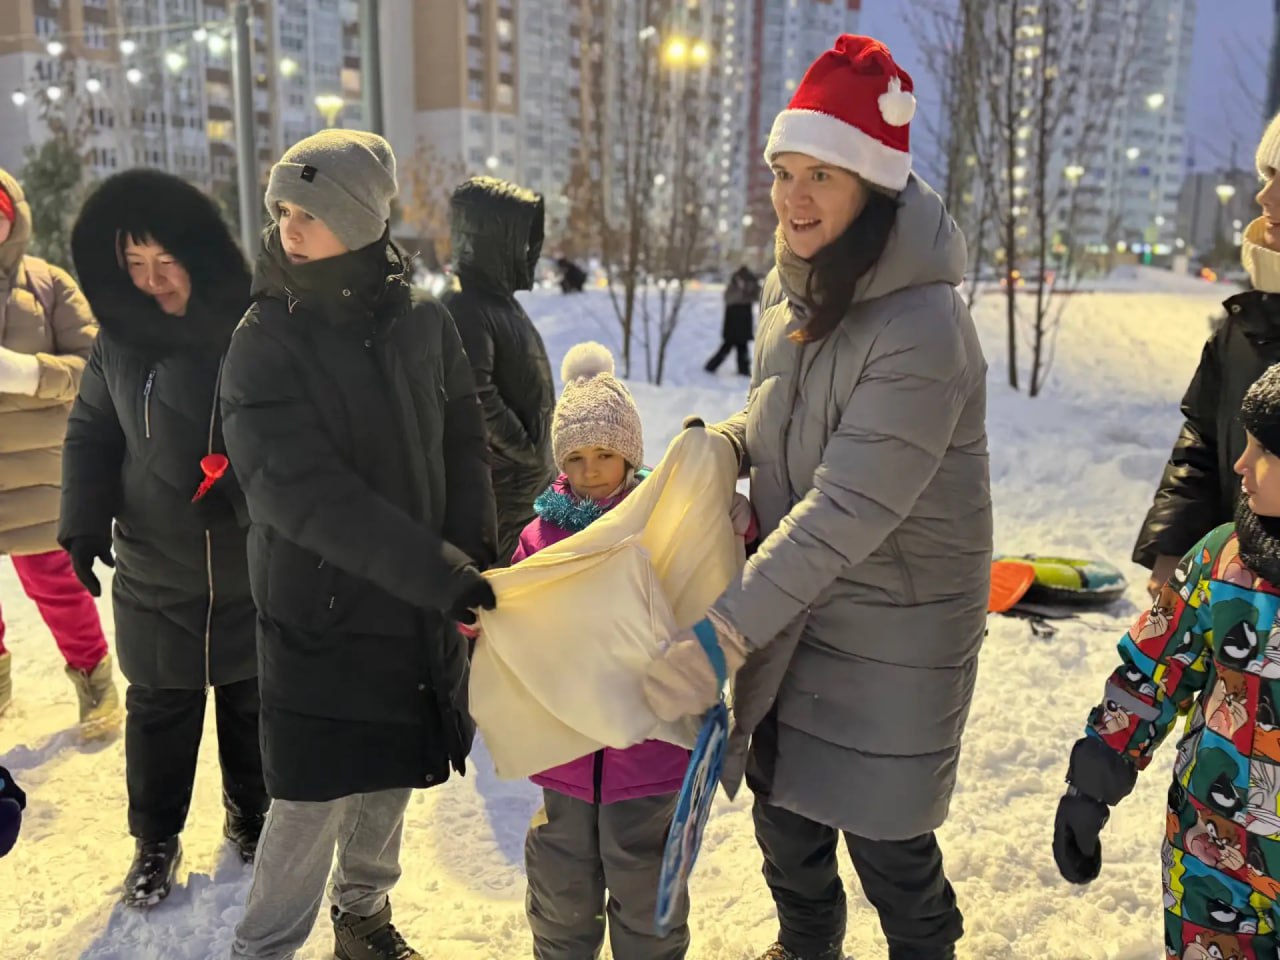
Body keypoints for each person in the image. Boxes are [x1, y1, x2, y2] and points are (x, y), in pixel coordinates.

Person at [642, 36, 990, 960]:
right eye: (784, 171)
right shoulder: (800, 302)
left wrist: (719, 634)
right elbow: (775, 427)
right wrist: (713, 451)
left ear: (871, 187)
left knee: (888, 846)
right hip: (797, 614)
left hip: (892, 629)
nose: (793, 198)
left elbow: (845, 507)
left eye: (822, 177)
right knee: (785, 825)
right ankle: (805, 949)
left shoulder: (924, 327)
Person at [220, 130, 497, 960]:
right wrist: (439, 572)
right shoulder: (265, 338)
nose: (288, 226)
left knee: (393, 779)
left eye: (310, 210)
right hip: (324, 613)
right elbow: (301, 494)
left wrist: (474, 560)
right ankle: (264, 948)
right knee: (309, 804)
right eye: (282, 210)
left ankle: (365, 919)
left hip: (422, 607)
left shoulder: (424, 321)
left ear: (362, 218)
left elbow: (464, 443)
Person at [61, 169, 266, 906]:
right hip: (155, 564)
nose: (153, 283)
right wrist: (82, 518)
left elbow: (291, 431)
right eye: (134, 267)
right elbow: (90, 430)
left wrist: (247, 493)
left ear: (198, 253)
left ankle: (253, 813)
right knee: (160, 715)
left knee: (250, 706)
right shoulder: (117, 343)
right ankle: (155, 840)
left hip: (247, 567)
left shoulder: (254, 327)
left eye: (166, 262)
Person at [512, 340, 752, 960]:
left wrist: (731, 523)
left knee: (647, 894)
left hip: (649, 753)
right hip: (565, 756)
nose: (592, 472)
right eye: (578, 458)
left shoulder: (662, 526)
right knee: (562, 887)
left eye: (606, 456)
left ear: (631, 455)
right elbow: (517, 611)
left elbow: (707, 573)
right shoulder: (539, 538)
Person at [1054, 363, 1280, 958]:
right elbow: (1149, 675)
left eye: (1263, 451)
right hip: (1212, 860)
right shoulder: (1222, 559)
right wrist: (1090, 785)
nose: (1239, 464)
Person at [1134, 111, 1280, 598]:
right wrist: (1174, 548)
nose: (1265, 197)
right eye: (1268, 176)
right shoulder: (1244, 324)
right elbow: (1200, 438)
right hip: (1233, 601)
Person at [0, 167, 118, 729]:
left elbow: (95, 362)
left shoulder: (47, 284)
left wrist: (28, 374)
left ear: (13, 219)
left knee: (55, 582)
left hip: (39, 472)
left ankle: (94, 679)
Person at [443, 177, 556, 565]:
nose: (528, 250)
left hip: (524, 491)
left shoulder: (498, 303)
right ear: (494, 239)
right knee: (503, 598)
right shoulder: (466, 305)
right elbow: (472, 391)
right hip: (503, 495)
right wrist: (524, 450)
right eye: (520, 237)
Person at [704, 265, 761, 376]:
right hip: (736, 319)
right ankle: (713, 367)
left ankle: (741, 370)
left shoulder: (744, 287)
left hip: (738, 319)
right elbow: (730, 298)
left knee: (738, 346)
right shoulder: (735, 286)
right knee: (733, 346)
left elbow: (756, 296)